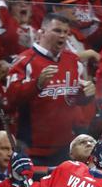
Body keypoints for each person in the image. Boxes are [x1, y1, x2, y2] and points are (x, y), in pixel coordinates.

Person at [6, 13, 95, 166]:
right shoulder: (24, 61)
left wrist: (86, 94)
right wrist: (37, 85)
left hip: (65, 147)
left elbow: (73, 99)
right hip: (31, 148)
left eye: (66, 32)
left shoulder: (73, 61)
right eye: (57, 30)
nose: (63, 36)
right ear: (42, 32)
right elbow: (10, 101)